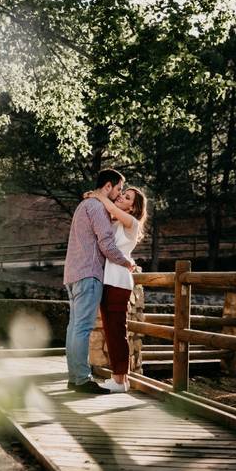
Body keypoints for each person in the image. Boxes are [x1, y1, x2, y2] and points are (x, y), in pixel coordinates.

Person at [63, 168, 137, 394]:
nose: (119, 193)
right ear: (108, 187)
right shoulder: (96, 207)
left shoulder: (84, 205)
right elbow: (107, 243)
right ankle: (82, 379)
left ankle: (74, 377)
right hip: (89, 273)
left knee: (74, 327)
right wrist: (126, 262)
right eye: (118, 189)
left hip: (73, 274)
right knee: (82, 328)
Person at [87, 185, 148, 392]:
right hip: (109, 281)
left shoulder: (132, 223)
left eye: (127, 197)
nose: (121, 196)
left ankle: (119, 381)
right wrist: (94, 198)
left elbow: (111, 209)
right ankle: (122, 379)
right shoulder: (116, 223)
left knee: (117, 332)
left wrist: (99, 195)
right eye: (123, 193)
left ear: (133, 207)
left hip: (119, 283)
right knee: (112, 331)